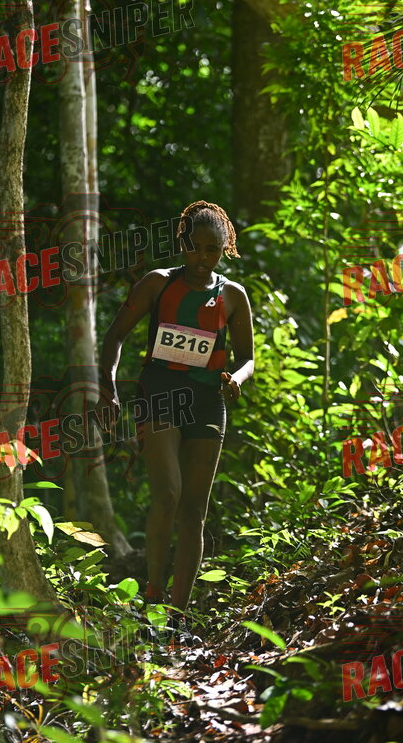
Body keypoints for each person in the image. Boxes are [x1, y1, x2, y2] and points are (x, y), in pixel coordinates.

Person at [97, 200, 254, 625]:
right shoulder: (158, 283)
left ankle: (178, 616)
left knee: (194, 512)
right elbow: (114, 337)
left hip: (207, 401)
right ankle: (153, 592)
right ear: (182, 244)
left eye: (212, 250)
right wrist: (108, 386)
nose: (202, 258)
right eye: (195, 247)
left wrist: (238, 378)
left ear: (224, 250)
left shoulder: (233, 296)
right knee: (167, 494)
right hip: (160, 394)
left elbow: (248, 358)